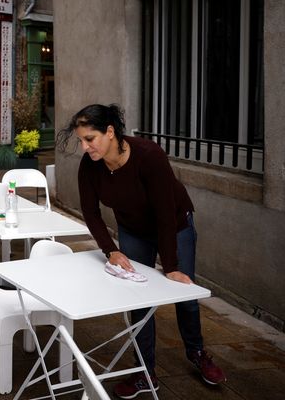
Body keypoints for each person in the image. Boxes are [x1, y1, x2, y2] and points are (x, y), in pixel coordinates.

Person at [56, 104, 225, 399]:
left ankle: (197, 352)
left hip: (175, 225)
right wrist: (110, 250)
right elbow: (90, 212)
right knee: (137, 298)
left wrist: (170, 265)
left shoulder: (149, 156)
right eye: (81, 140)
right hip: (133, 230)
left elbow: (163, 212)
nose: (84, 147)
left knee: (184, 294)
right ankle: (145, 372)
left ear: (110, 132)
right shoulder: (90, 166)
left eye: (90, 138)